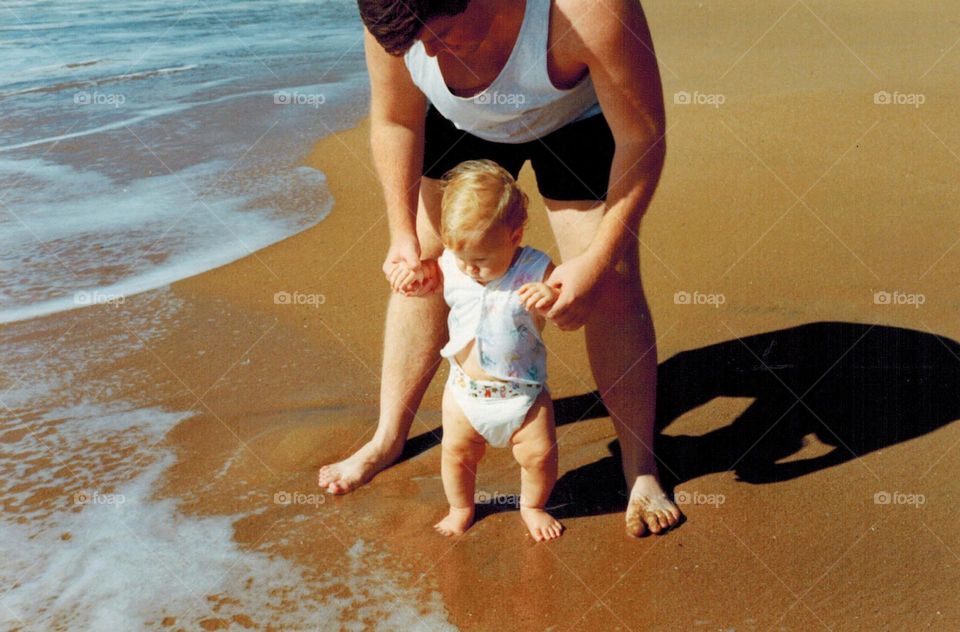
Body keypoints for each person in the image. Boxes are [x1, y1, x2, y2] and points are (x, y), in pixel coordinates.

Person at [319, 0, 683, 537]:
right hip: (464, 125)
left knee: (611, 280)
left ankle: (640, 469)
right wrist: (402, 235)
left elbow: (641, 134)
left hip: (576, 119)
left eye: (440, 35)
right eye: (415, 46)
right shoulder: (398, 22)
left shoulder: (585, 10)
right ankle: (387, 437)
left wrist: (598, 261)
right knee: (423, 264)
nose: (428, 55)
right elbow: (396, 120)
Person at [389, 159, 563, 541]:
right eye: (461, 258)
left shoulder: (535, 268)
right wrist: (414, 278)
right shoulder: (452, 265)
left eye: (480, 260)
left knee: (539, 456)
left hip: (523, 394)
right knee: (456, 455)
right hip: (465, 393)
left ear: (515, 236)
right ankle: (461, 508)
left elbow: (565, 297)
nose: (469, 269)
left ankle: (532, 506)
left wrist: (550, 296)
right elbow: (430, 278)